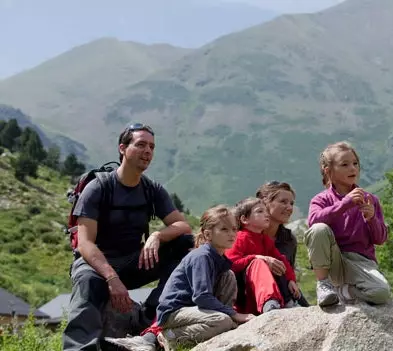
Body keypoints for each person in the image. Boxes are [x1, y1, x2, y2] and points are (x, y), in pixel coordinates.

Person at [62, 123, 195, 351]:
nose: (148, 151)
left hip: (134, 260)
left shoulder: (152, 189)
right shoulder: (98, 187)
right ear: (122, 148)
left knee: (186, 245)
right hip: (95, 263)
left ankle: (149, 317)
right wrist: (112, 279)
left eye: (152, 147)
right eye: (141, 145)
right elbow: (85, 243)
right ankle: (79, 348)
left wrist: (157, 235)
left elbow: (183, 226)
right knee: (87, 281)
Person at [107, 205, 255, 351]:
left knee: (228, 277)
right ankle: (167, 337)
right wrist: (234, 315)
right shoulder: (202, 257)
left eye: (234, 229)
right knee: (222, 321)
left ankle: (220, 324)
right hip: (174, 312)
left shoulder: (219, 261)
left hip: (194, 311)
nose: (232, 234)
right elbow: (202, 297)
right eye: (224, 229)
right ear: (208, 235)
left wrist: (231, 316)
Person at [304, 141, 391, 307]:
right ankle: (324, 284)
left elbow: (380, 239)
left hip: (361, 263)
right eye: (344, 164)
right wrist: (345, 204)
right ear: (328, 171)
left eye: (355, 163)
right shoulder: (321, 199)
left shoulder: (370, 199)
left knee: (381, 292)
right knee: (318, 229)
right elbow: (313, 223)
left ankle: (344, 292)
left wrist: (372, 219)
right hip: (333, 261)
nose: (352, 168)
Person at [225, 198, 301, 314]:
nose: (266, 215)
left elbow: (281, 259)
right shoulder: (240, 237)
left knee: (276, 264)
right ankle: (269, 303)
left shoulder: (265, 239)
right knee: (259, 263)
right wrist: (256, 258)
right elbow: (230, 263)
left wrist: (291, 279)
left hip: (256, 291)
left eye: (266, 211)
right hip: (243, 293)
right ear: (245, 219)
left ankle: (287, 301)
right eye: (260, 211)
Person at [255, 181, 310, 307]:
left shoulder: (289, 240)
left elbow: (288, 278)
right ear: (265, 202)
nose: (289, 208)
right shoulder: (247, 235)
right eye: (283, 202)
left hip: (284, 297)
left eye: (291, 203)